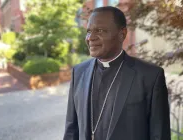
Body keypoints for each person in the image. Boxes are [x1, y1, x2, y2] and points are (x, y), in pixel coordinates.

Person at [63, 6, 171, 140]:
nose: (90, 38)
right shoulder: (79, 72)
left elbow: (159, 135)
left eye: (100, 30)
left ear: (122, 34)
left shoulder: (150, 76)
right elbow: (71, 130)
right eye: (89, 31)